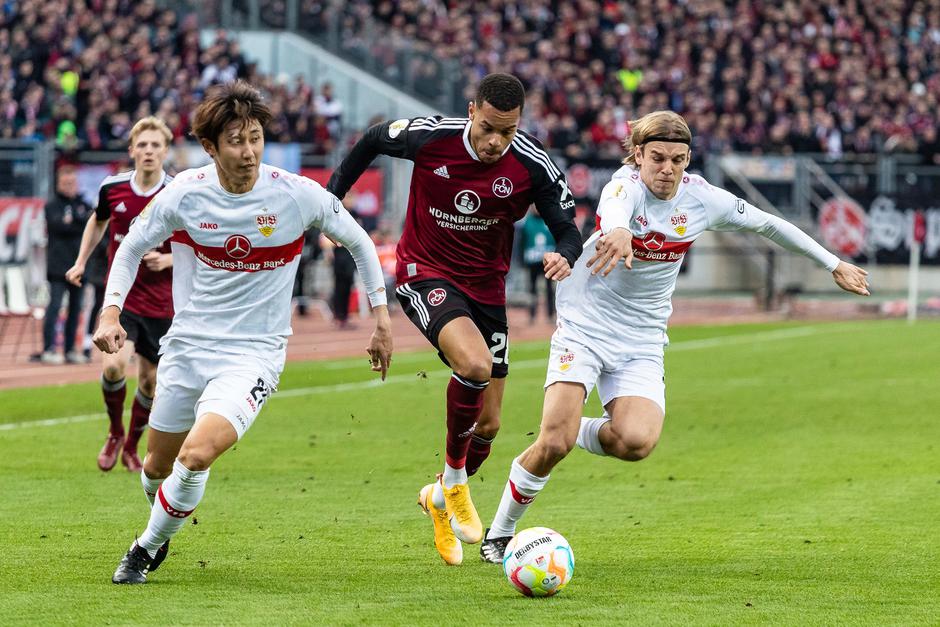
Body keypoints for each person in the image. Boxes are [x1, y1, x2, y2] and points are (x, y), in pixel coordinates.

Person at [479, 110, 871, 563]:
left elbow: (768, 223)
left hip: (643, 337)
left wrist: (833, 264)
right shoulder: (623, 186)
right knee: (553, 445)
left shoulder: (701, 199)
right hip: (586, 326)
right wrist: (620, 233)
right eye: (658, 158)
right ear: (638, 155)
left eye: (679, 160)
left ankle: (563, 428)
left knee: (636, 442)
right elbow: (615, 215)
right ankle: (501, 533)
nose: (667, 170)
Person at [95, 81, 393, 584]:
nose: (249, 151)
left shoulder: (295, 193)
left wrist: (381, 317)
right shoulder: (184, 194)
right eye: (236, 141)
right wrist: (110, 312)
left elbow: (360, 242)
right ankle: (163, 521)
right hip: (187, 346)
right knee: (156, 467)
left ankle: (143, 549)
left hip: (253, 355)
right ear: (211, 147)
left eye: (255, 137)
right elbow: (128, 249)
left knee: (197, 454)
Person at [327, 72, 581, 565]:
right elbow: (374, 139)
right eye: (487, 127)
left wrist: (564, 255)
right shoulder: (431, 136)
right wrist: (332, 199)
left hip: (488, 291)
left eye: (506, 132)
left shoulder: (533, 165)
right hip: (426, 273)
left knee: (489, 424)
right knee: (476, 366)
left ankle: (438, 498)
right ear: (472, 110)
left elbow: (567, 228)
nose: (494, 141)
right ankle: (457, 481)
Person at [66, 116, 175, 473]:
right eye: (141, 145)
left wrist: (170, 258)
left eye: (155, 145)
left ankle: (131, 445)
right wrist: (81, 260)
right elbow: (97, 220)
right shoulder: (112, 188)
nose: (148, 151)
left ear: (165, 151)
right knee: (113, 366)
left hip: (163, 303)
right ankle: (114, 432)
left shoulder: (178, 192)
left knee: (151, 382)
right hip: (122, 299)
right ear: (131, 150)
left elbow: (199, 241)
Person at [41, 165, 93, 365]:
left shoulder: (82, 203)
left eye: (72, 182)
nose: (70, 186)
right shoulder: (52, 204)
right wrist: (77, 222)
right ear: (59, 183)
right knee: (54, 307)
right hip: (57, 266)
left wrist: (74, 220)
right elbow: (58, 226)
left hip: (79, 265)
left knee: (75, 309)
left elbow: (90, 221)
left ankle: (71, 348)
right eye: (66, 182)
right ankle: (48, 349)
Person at [520, 207, 556, 322]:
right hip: (532, 261)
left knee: (549, 289)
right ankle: (532, 315)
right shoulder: (527, 222)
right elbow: (521, 242)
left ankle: (551, 314)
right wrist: (522, 260)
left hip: (548, 261)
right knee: (532, 288)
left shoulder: (550, 219)